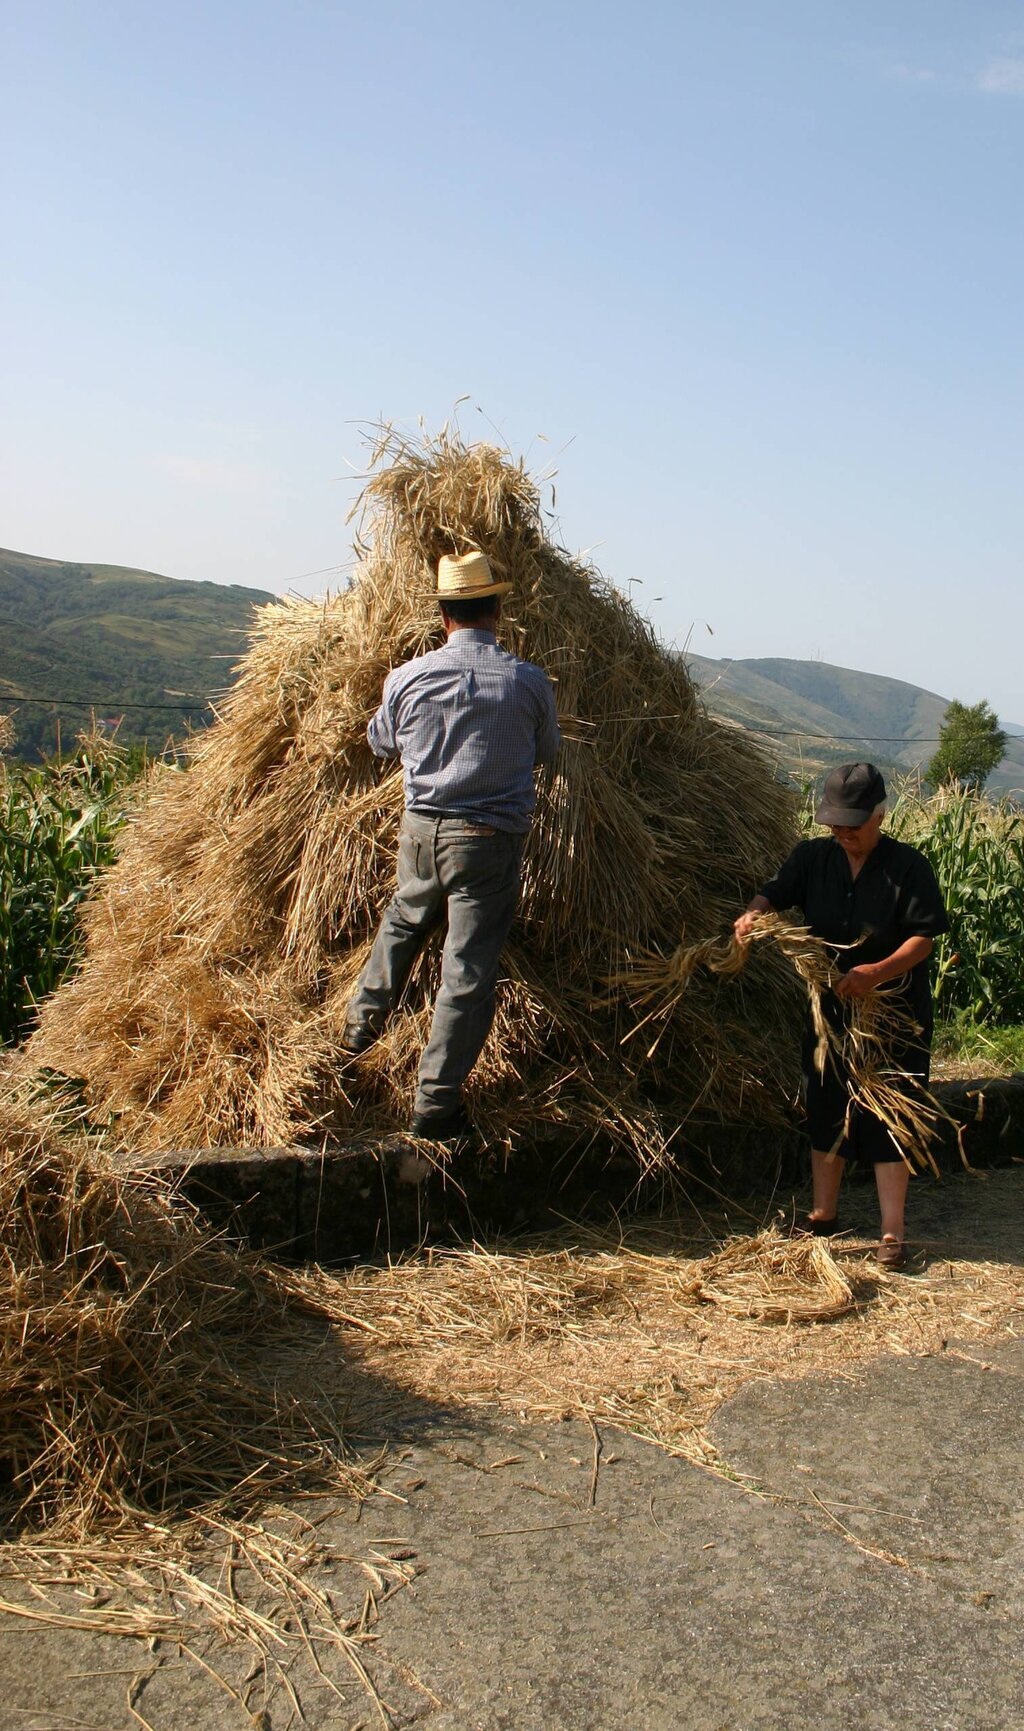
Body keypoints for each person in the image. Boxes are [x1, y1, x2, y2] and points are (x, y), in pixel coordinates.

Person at [343, 549, 560, 1143]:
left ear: (444, 616)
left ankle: (348, 1045)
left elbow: (382, 743)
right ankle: (436, 1105)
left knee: (400, 927)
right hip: (486, 842)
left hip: (420, 830)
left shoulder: (406, 678)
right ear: (496, 611)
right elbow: (547, 753)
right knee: (464, 967)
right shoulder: (527, 682)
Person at [734, 763, 949, 1268]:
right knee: (826, 1106)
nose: (844, 831)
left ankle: (892, 1234)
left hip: (892, 1015)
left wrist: (876, 972)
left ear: (880, 814)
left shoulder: (909, 867)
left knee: (889, 1113)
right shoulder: (812, 858)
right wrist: (754, 911)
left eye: (854, 822)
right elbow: (776, 890)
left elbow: (923, 937)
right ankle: (822, 1216)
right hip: (829, 1013)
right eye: (835, 823)